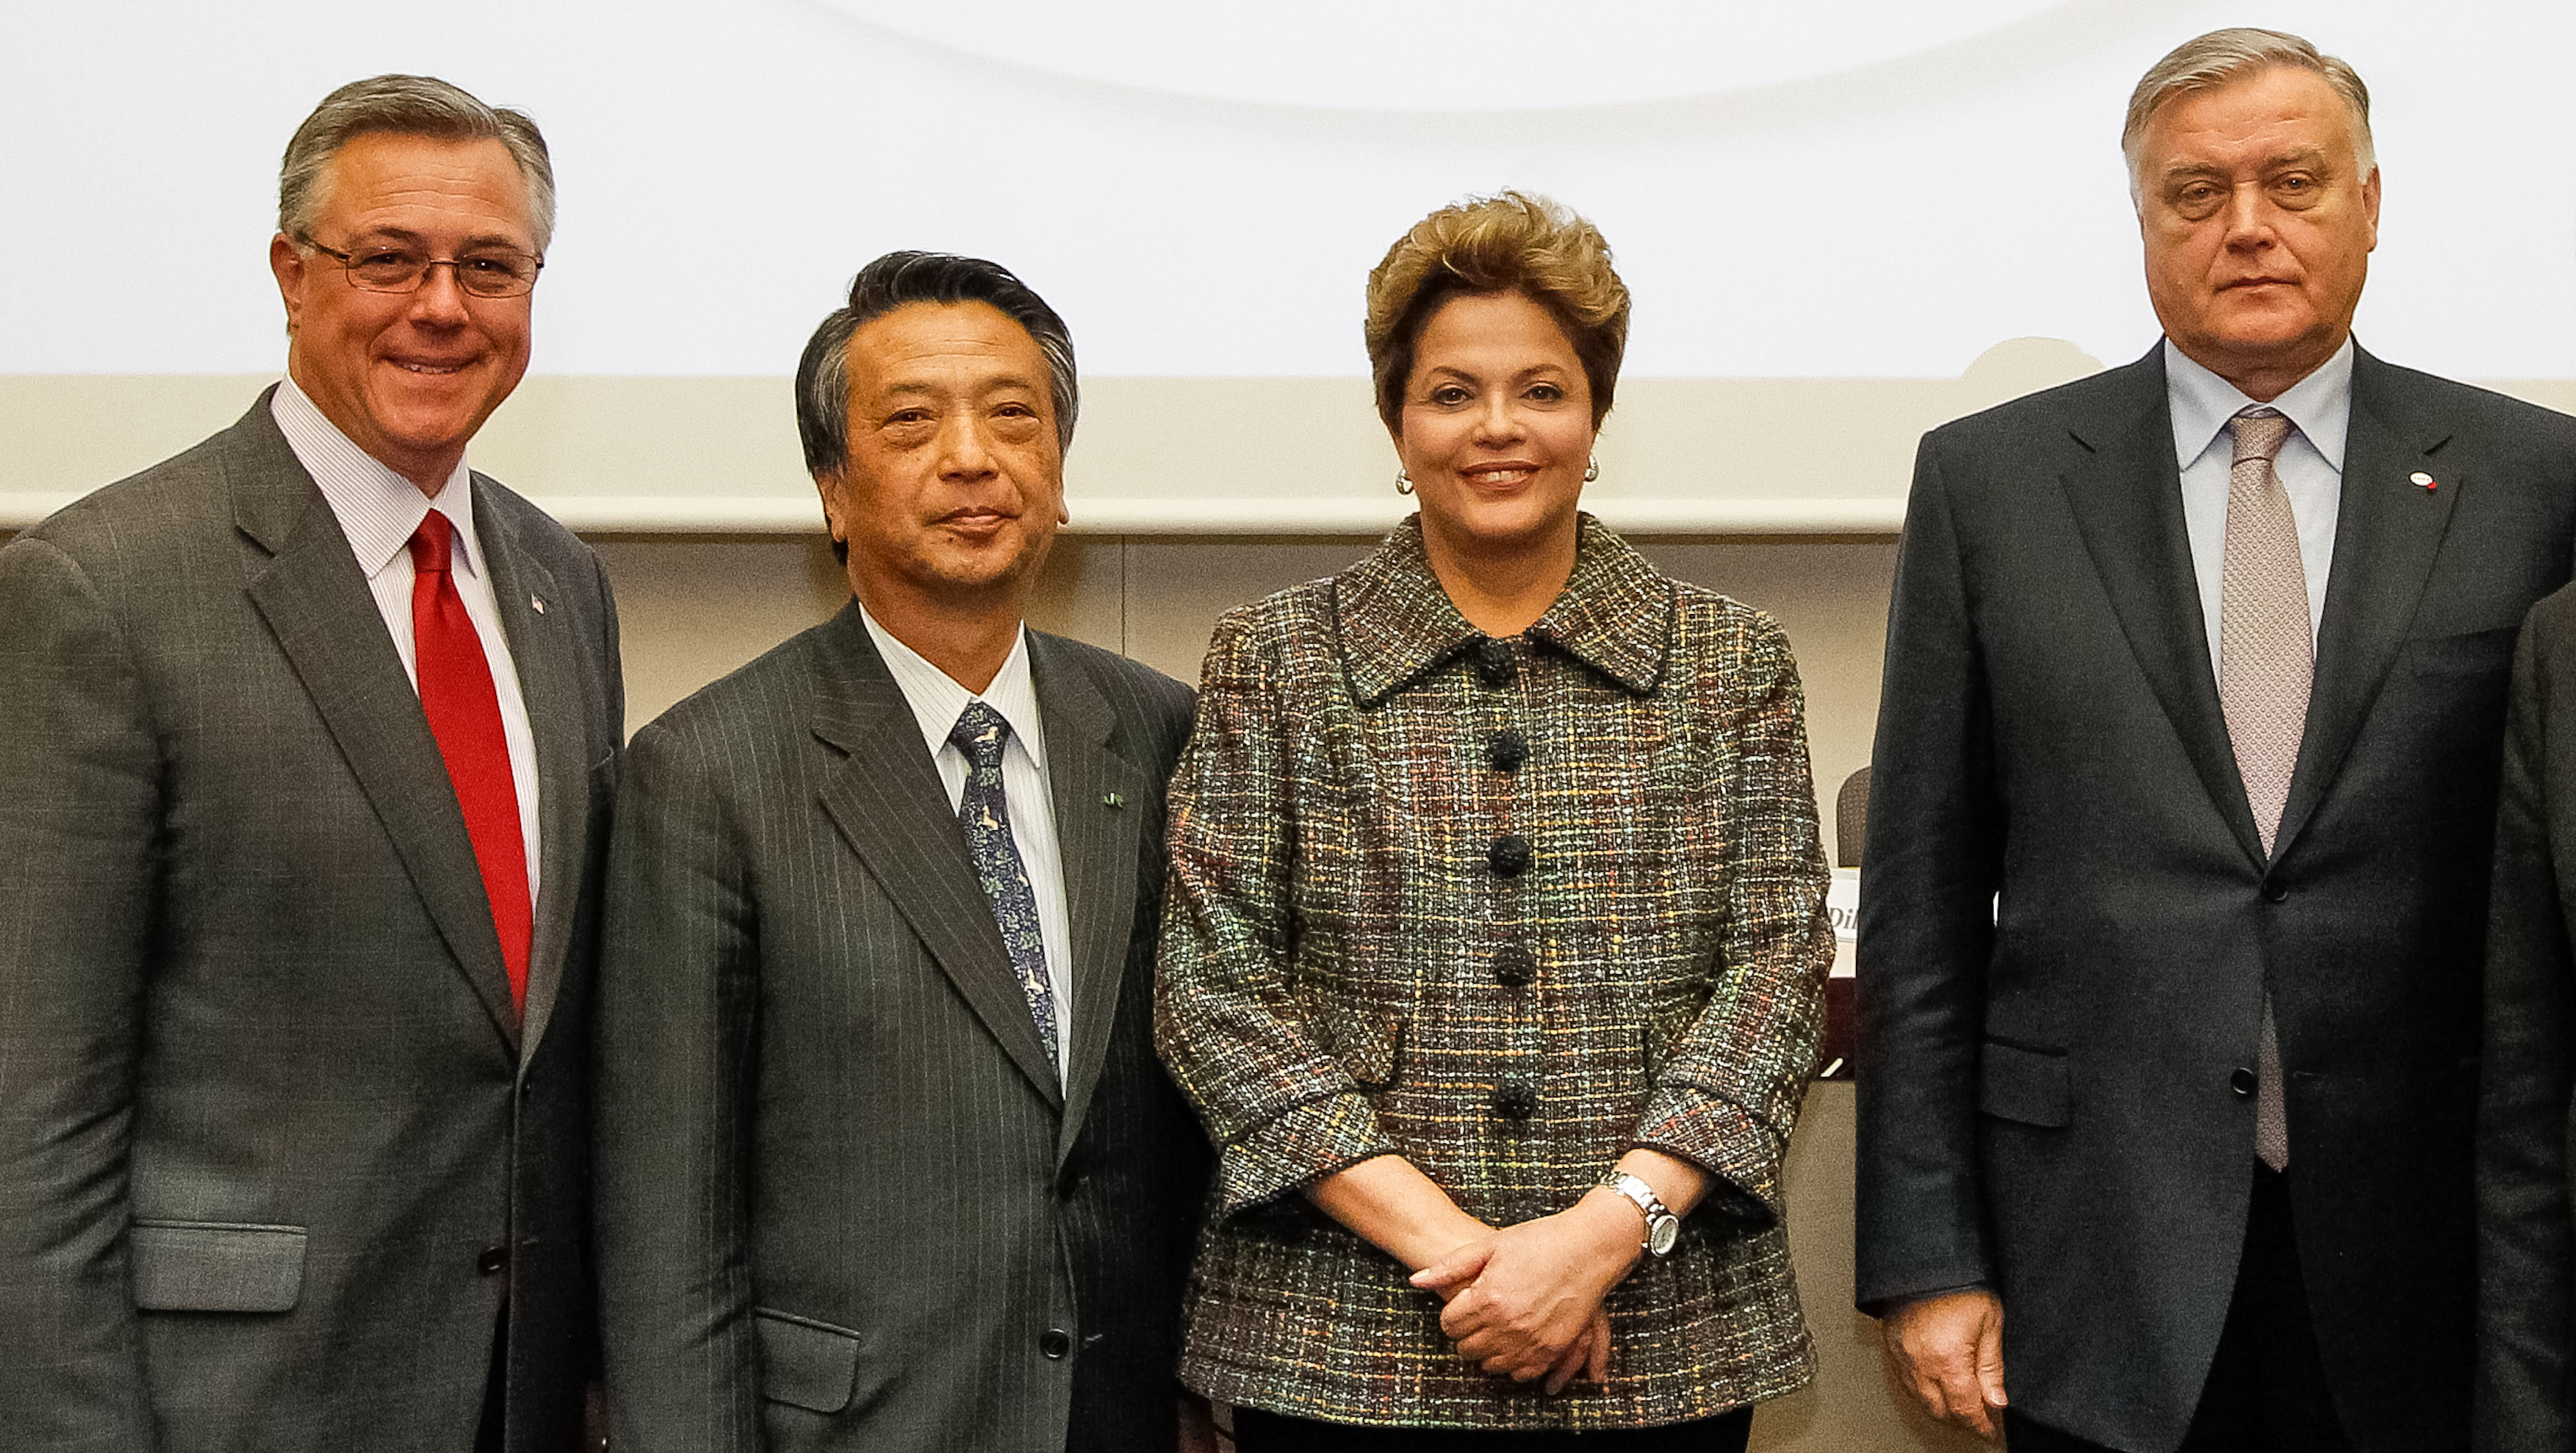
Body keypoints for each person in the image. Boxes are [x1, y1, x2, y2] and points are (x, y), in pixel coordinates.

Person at [1857, 26, 2576, 1453]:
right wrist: (1928, 1255)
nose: (2243, 226)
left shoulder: (2534, 480)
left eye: (2290, 182)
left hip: (2431, 1256)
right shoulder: (1988, 484)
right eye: (2193, 193)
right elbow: (1921, 908)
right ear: (2139, 218)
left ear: (2369, 205)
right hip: (2094, 1245)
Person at [0, 75, 622, 1453]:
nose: (442, 306)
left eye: (491, 267)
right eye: (388, 259)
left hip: (511, 1400)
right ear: (291, 274)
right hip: (230, 1404)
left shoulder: (559, 584)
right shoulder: (101, 588)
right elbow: (32, 1120)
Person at [1155, 191, 1834, 1450]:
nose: (1498, 430)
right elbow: (1215, 988)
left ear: (1596, 413)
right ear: (1395, 423)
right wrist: (1476, 1263)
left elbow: (1775, 970)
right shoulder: (1275, 657)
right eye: (1451, 393)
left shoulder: (1731, 660)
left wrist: (1593, 1240)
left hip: (1656, 1322)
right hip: (1342, 1330)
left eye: (1541, 390)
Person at [592, 251, 1212, 1452]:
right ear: (832, 486)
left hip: (1117, 1414)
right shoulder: (706, 770)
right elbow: (666, 1223)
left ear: (1060, 475)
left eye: (1013, 416)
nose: (972, 458)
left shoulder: (1158, 731)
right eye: (913, 421)